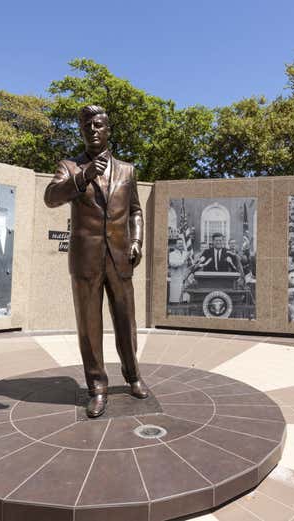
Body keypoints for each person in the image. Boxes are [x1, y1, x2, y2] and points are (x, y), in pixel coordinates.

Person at [44, 105, 148, 418]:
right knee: (89, 327)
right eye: (87, 125)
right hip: (86, 260)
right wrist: (83, 177)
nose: (93, 130)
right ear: (81, 130)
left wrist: (136, 240)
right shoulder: (69, 166)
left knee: (126, 323)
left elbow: (135, 211)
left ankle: (133, 377)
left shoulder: (128, 170)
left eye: (98, 125)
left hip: (120, 258)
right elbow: (51, 197)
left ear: (108, 129)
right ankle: (98, 387)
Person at [168, 237, 190, 304]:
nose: (181, 245)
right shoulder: (171, 254)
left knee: (184, 301)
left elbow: (189, 265)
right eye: (179, 243)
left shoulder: (186, 253)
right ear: (175, 245)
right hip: (176, 279)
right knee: (175, 300)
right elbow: (173, 264)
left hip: (185, 278)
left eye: (182, 243)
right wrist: (183, 261)